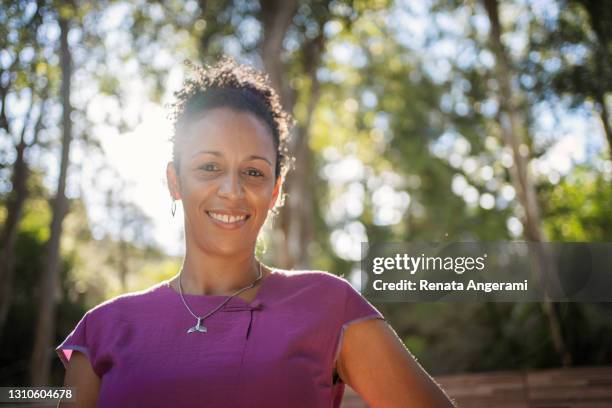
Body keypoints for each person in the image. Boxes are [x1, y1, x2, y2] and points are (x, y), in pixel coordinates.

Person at [56, 57, 455, 407]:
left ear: (275, 190)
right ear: (175, 181)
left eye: (253, 172)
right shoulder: (101, 331)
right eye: (209, 167)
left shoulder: (329, 307)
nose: (231, 191)